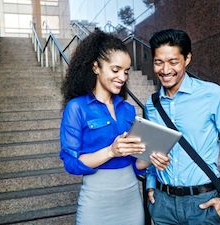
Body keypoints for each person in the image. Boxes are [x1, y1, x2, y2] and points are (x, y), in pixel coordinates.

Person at [145, 29, 220, 225]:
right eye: (158, 62)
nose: (165, 70)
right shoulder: (151, 103)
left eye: (173, 62)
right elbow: (152, 150)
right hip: (163, 205)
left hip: (203, 204)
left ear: (187, 59)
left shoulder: (213, 95)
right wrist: (150, 185)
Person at [59, 30, 167, 225]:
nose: (123, 77)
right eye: (115, 70)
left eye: (126, 71)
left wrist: (152, 158)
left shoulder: (128, 110)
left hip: (131, 199)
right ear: (96, 67)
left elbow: (135, 165)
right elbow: (71, 163)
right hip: (96, 201)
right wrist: (111, 151)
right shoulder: (77, 108)